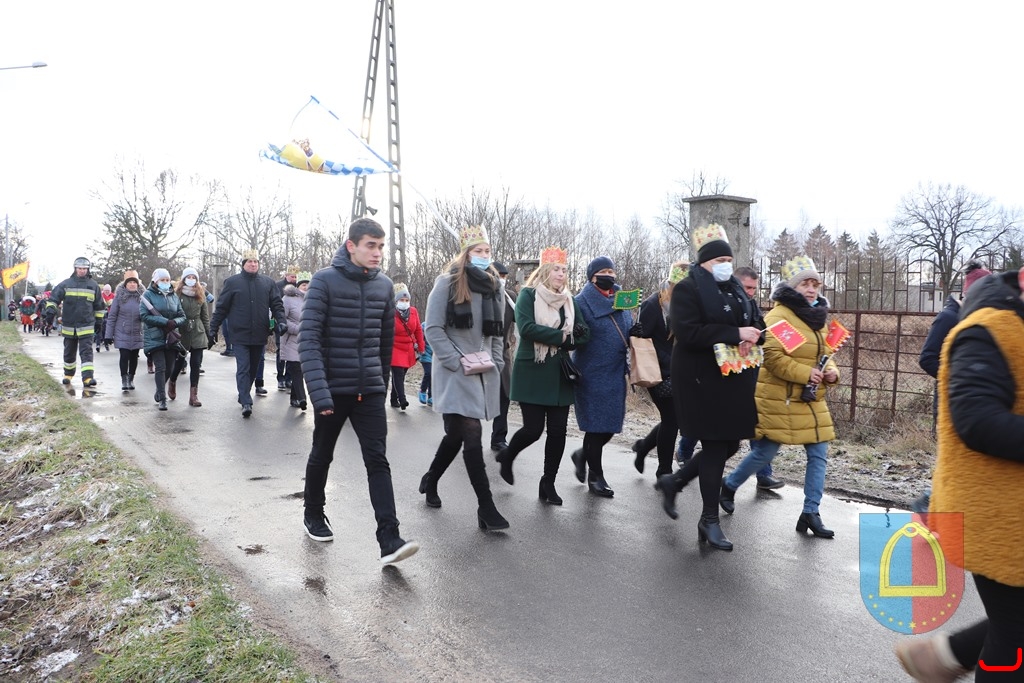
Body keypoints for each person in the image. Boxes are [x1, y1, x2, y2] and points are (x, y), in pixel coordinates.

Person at [894, 264, 1024, 682]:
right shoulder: (984, 329)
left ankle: (948, 655)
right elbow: (977, 420)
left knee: (1014, 625)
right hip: (996, 515)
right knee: (1014, 633)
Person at [299, 218, 419, 565]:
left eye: (381, 246)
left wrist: (381, 384)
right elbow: (309, 340)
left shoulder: (384, 286)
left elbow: (384, 344)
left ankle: (389, 538)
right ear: (351, 246)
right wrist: (319, 393)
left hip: (369, 390)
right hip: (333, 389)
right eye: (371, 245)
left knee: (378, 460)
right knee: (322, 453)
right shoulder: (324, 281)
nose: (377, 252)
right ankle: (313, 513)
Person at [654, 224, 764, 551]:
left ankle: (675, 481)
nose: (725, 265)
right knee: (716, 446)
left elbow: (755, 320)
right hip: (700, 379)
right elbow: (688, 332)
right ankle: (708, 520)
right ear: (703, 262)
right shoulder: (688, 288)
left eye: (729, 260)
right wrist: (735, 334)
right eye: (719, 260)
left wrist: (755, 334)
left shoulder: (736, 288)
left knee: (729, 445)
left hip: (734, 378)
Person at [718, 256, 840, 538]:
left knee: (819, 454)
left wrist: (832, 372)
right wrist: (805, 373)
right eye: (805, 284)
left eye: (815, 284)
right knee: (765, 452)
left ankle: (810, 513)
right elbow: (773, 358)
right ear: (792, 287)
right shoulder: (778, 317)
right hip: (779, 398)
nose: (811, 289)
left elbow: (826, 354)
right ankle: (730, 485)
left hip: (811, 399)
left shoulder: (819, 318)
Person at [419, 224, 509, 531]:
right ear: (466, 254)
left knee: (456, 435)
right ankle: (486, 507)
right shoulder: (447, 282)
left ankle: (431, 479)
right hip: (454, 371)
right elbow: (433, 329)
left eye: (487, 251)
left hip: (483, 370)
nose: (484, 255)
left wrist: (496, 363)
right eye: (478, 251)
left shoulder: (495, 287)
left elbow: (496, 334)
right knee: (471, 432)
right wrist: (455, 362)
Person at [494, 246, 589, 505]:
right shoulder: (528, 295)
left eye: (564, 270)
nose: (561, 274)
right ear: (545, 271)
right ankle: (508, 455)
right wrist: (564, 337)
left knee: (558, 432)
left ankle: (548, 482)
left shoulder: (570, 301)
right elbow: (527, 329)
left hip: (559, 373)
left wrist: (573, 337)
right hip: (533, 370)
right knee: (533, 430)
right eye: (556, 269)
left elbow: (585, 335)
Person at [911, 260, 991, 513]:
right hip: (949, 403)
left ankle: (939, 507)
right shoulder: (948, 318)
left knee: (966, 466)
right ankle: (930, 504)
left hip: (972, 405)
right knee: (954, 465)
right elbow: (927, 359)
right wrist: (957, 381)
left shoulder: (975, 321)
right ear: (970, 293)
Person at [568, 255, 633, 498]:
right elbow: (573, 335)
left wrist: (635, 331)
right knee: (596, 427)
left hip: (616, 372)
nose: (609, 276)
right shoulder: (580, 302)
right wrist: (577, 332)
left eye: (611, 271)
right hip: (591, 373)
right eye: (603, 272)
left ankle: (582, 455)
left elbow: (626, 328)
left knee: (610, 426)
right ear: (592, 277)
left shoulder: (623, 299)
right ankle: (596, 476)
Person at [208, 250, 286, 418]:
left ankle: (243, 393)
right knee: (243, 367)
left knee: (253, 368)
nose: (253, 264)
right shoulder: (233, 283)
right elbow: (221, 308)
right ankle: (246, 401)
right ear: (243, 264)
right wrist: (213, 328)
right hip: (239, 334)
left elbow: (277, 305)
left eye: (255, 261)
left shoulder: (267, 283)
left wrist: (282, 321)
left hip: (259, 333)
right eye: (249, 261)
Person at [46, 257, 106, 387]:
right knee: (69, 351)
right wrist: (50, 311)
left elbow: (99, 306)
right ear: (75, 269)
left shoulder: (93, 285)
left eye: (84, 268)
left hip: (87, 325)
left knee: (86, 352)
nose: (82, 271)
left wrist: (99, 321)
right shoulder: (66, 284)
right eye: (80, 268)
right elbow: (53, 298)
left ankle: (88, 378)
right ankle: (68, 374)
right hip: (69, 325)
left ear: (88, 269)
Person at [139, 268, 187, 411]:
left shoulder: (174, 296)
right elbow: (144, 315)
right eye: (162, 280)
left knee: (170, 368)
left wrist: (174, 323)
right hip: (155, 336)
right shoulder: (147, 295)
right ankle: (162, 398)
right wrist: (164, 322)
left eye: (167, 280)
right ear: (155, 281)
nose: (165, 282)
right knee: (160, 367)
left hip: (171, 336)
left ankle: (158, 391)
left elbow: (182, 315)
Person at [169, 267, 210, 407]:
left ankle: (194, 395)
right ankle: (172, 381)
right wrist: (174, 330)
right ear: (184, 279)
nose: (191, 280)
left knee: (196, 363)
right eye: (189, 277)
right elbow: (173, 314)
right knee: (180, 361)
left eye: (194, 277)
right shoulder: (177, 294)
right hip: (182, 329)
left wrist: (209, 333)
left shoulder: (201, 294)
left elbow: (205, 316)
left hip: (197, 330)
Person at [490, 260, 517, 451]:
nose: (502, 280)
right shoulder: (478, 295)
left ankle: (499, 437)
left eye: (504, 277)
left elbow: (522, 319)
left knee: (504, 395)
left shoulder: (510, 297)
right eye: (499, 276)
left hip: (503, 352)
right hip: (480, 352)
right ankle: (460, 433)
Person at [103, 269, 145, 391]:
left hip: (137, 331)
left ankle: (131, 378)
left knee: (134, 357)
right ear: (125, 284)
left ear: (138, 284)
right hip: (122, 331)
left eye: (134, 282)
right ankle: (124, 379)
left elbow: (148, 315)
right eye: (130, 282)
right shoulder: (119, 298)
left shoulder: (143, 298)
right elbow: (112, 316)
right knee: (124, 356)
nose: (132, 284)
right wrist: (108, 335)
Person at [389, 283, 425, 410]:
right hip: (394, 347)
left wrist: (421, 346)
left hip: (408, 348)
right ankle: (402, 399)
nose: (404, 302)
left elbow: (418, 330)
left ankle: (394, 398)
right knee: (398, 373)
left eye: (406, 300)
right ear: (395, 300)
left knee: (401, 374)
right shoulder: (390, 312)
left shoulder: (413, 312)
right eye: (401, 300)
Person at [281, 271, 310, 410]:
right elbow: (282, 318)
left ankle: (294, 398)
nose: (306, 287)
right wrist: (298, 328)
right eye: (304, 285)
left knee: (300, 370)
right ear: (298, 286)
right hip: (291, 339)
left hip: (307, 341)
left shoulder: (314, 299)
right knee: (296, 368)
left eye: (309, 284)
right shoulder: (288, 299)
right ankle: (302, 398)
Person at [274, 265, 299, 390]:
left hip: (294, 324)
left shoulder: (298, 288)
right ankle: (280, 377)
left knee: (292, 353)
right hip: (280, 323)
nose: (294, 279)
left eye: (295, 277)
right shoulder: (277, 286)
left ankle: (289, 377)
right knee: (281, 350)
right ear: (286, 276)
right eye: (292, 276)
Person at [418, 341, 433, 405]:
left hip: (435, 356)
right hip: (425, 354)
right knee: (428, 373)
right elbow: (420, 339)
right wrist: (421, 349)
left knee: (433, 376)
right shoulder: (424, 333)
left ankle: (431, 396)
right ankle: (422, 390)